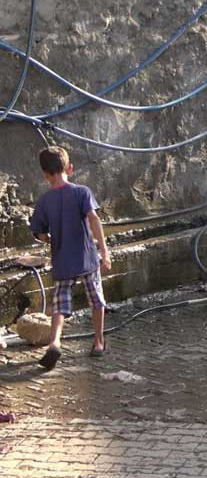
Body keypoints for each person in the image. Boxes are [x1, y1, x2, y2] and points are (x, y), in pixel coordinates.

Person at [28, 146, 110, 369]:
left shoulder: (44, 201)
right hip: (87, 259)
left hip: (63, 261)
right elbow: (94, 219)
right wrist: (104, 250)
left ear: (45, 173)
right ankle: (99, 341)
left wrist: (50, 239)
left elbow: (40, 233)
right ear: (70, 168)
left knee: (59, 305)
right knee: (96, 300)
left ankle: (55, 341)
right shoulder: (82, 192)